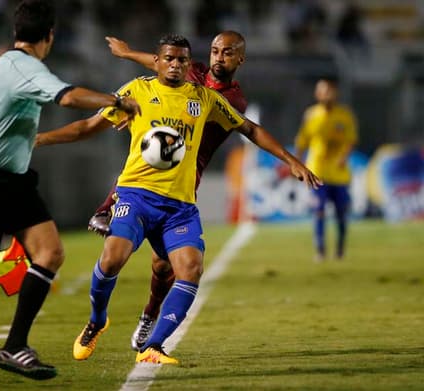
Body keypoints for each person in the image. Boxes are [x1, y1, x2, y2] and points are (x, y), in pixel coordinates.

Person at [35, 34, 321, 365]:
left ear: (191, 65)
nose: (176, 64)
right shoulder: (138, 91)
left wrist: (290, 160)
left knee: (184, 268)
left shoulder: (210, 99)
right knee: (113, 258)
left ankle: (153, 343)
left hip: (181, 198)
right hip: (138, 192)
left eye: (182, 60)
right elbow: (89, 125)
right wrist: (41, 138)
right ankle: (98, 319)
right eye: (169, 59)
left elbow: (251, 129)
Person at [0, 0, 140, 384]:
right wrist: (117, 101)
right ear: (50, 36)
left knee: (50, 252)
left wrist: (15, 144)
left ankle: (14, 345)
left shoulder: (2, 67)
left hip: (9, 178)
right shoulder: (26, 68)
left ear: (16, 33)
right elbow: (68, 97)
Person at [89, 32, 249, 351]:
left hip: (186, 176)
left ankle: (150, 313)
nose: (219, 57)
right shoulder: (194, 70)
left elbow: (198, 109)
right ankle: (107, 208)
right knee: (143, 163)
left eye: (227, 53)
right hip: (155, 163)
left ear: (239, 60)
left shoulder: (232, 101)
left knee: (163, 266)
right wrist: (128, 55)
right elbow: (162, 62)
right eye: (215, 50)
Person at [295, 78, 358, 261]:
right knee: (319, 210)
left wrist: (343, 158)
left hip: (339, 174)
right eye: (321, 91)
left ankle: (340, 249)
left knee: (341, 213)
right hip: (317, 172)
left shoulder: (345, 115)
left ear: (335, 93)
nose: (325, 94)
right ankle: (320, 250)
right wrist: (296, 164)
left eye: (328, 90)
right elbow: (302, 141)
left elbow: (351, 139)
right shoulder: (311, 115)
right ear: (317, 94)